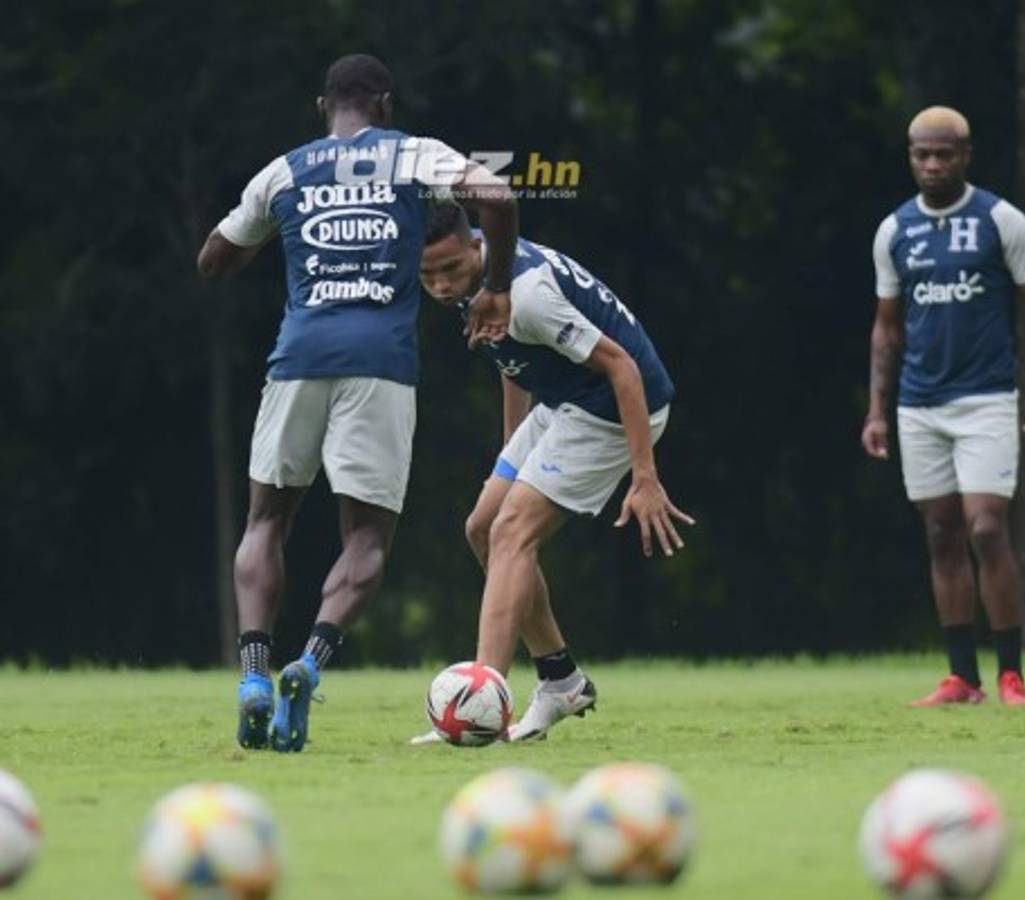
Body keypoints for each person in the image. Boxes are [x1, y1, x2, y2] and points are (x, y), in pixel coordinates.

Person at [196, 54, 517, 752]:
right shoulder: (414, 155)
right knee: (365, 539)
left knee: (266, 520)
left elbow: (213, 260)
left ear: (323, 107)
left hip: (299, 357)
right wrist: (496, 286)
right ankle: (309, 663)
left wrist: (270, 240)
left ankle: (254, 672)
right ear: (386, 105)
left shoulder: (286, 170)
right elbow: (497, 197)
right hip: (381, 365)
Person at [413, 203, 693, 742]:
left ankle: (479, 708)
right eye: (427, 276)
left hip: (613, 405)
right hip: (564, 399)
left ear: (474, 244)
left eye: (449, 270)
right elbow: (512, 360)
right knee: (482, 527)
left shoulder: (528, 296)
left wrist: (645, 477)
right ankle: (562, 680)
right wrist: (512, 453)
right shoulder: (480, 277)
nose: (442, 285)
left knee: (511, 532)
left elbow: (623, 368)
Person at [862, 106, 1025, 707]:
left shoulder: (1000, 220)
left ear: (965, 155)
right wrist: (877, 408)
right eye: (921, 154)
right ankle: (962, 678)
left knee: (985, 525)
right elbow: (886, 328)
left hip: (986, 399)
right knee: (943, 533)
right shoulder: (894, 231)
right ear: (910, 156)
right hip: (919, 404)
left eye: (943, 154)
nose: (931, 164)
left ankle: (1011, 675)